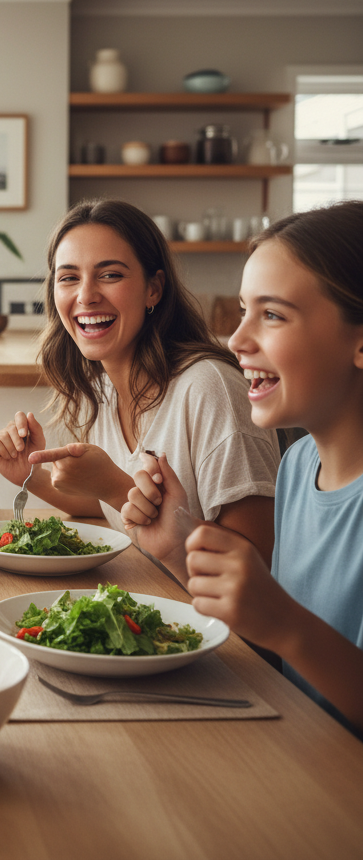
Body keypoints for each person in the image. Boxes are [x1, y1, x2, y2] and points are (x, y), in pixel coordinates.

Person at [122, 202, 363, 732]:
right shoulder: (300, 465)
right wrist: (178, 547)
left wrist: (287, 624)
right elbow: (274, 654)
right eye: (244, 310)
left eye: (272, 314)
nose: (236, 339)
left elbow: (289, 636)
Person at [0, 199, 278, 562]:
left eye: (110, 275)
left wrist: (112, 485)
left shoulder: (210, 388)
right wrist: (31, 476)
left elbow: (257, 561)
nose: (86, 296)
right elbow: (109, 506)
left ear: (154, 288)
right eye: (68, 278)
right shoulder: (105, 390)